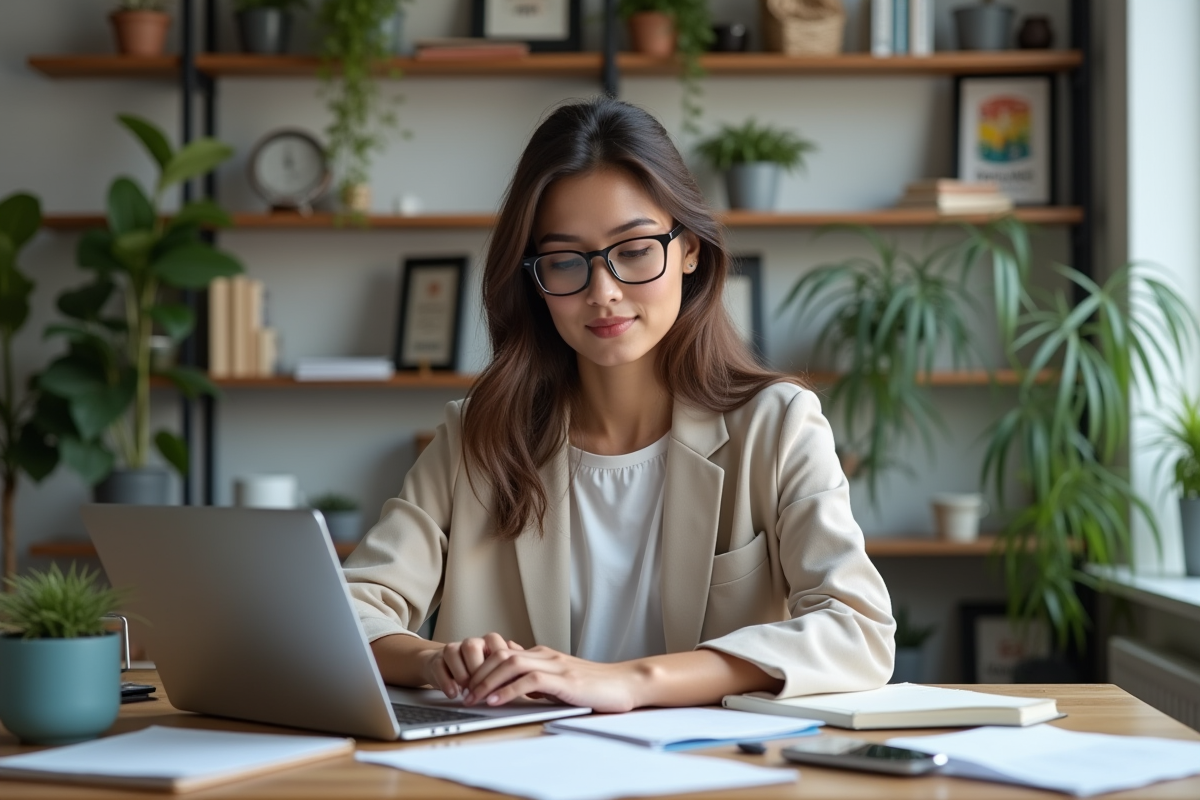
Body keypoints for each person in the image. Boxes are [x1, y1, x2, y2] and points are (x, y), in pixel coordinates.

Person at [343, 97, 895, 713]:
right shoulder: (477, 436)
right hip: (518, 771)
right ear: (534, 277)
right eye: (564, 261)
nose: (602, 292)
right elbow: (348, 613)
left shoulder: (778, 425)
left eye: (633, 251)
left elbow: (858, 631)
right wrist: (431, 657)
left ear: (690, 251)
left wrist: (631, 681)